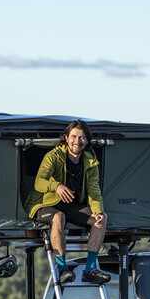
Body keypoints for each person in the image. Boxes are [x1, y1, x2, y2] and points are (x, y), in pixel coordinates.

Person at [25, 120, 111, 286]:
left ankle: (90, 270)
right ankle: (63, 269)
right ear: (66, 138)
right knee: (58, 217)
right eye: (73, 136)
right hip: (43, 204)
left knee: (101, 220)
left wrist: (98, 211)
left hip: (70, 206)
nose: (77, 141)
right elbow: (39, 182)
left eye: (81, 138)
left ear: (86, 141)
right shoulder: (53, 156)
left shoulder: (91, 162)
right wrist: (56, 186)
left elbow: (94, 191)